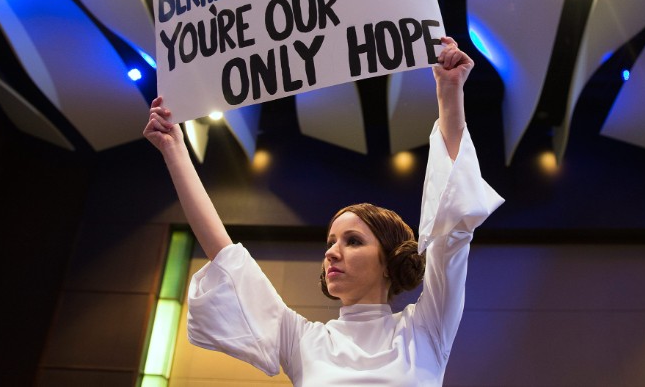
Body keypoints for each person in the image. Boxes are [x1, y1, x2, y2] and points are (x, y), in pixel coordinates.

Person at [142, 36, 504, 386]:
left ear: (388, 260)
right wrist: (174, 150)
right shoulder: (303, 342)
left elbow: (452, 222)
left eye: (353, 241)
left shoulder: (426, 328)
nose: (332, 251)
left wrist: (449, 91)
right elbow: (225, 255)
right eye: (331, 241)